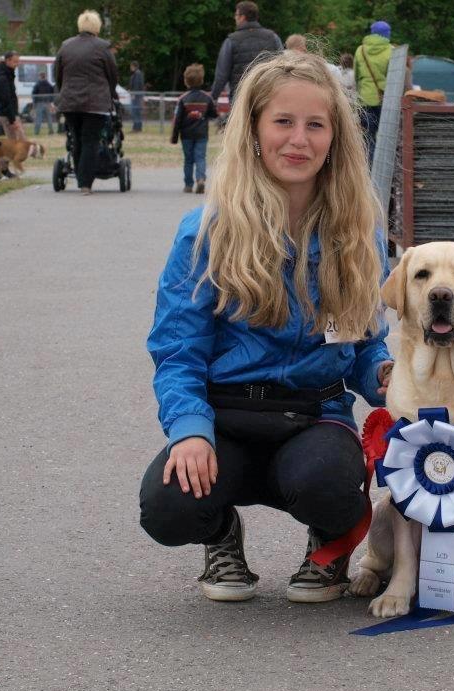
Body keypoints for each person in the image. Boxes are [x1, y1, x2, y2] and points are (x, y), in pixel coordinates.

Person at [141, 50, 393, 604]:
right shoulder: (204, 233)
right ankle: (220, 536)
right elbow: (177, 352)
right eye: (283, 121)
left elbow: (364, 344)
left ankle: (328, 545)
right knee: (167, 507)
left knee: (328, 485)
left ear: (335, 139)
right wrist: (189, 430)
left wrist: (389, 377)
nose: (298, 139)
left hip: (314, 419)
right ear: (254, 130)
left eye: (315, 125)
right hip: (226, 418)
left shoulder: (360, 233)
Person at [55, 9, 118, 194]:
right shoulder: (103, 47)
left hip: (70, 102)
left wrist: (63, 91)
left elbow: (58, 73)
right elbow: (112, 74)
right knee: (91, 141)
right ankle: (85, 184)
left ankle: (81, 179)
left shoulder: (65, 46)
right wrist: (111, 92)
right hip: (95, 103)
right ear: (97, 27)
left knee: (76, 140)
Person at [210, 1, 283, 106]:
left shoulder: (231, 41)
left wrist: (213, 97)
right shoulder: (273, 37)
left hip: (240, 96)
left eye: (236, 15)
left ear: (242, 17)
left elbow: (221, 75)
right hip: (267, 95)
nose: (234, 18)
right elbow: (282, 66)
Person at [170, 63, 217, 194]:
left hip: (186, 135)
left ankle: (188, 184)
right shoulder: (207, 98)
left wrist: (174, 137)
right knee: (201, 157)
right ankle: (201, 179)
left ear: (186, 81)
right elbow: (213, 114)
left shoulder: (183, 99)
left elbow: (177, 120)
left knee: (188, 160)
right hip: (202, 134)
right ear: (201, 80)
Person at [354, 20, 393, 164]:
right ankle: (383, 170)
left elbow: (357, 77)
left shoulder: (360, 50)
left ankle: (367, 171)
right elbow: (393, 77)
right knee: (385, 138)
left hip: (365, 100)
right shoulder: (391, 51)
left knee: (367, 138)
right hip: (385, 100)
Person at [0, 51, 26, 143]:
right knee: (18, 143)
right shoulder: (3, 78)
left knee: (18, 142)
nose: (17, 64)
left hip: (10, 113)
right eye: (15, 62)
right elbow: (6, 100)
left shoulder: (7, 75)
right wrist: (12, 120)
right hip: (7, 115)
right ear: (8, 61)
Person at [129, 61, 144, 132]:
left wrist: (134, 94)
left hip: (136, 96)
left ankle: (137, 128)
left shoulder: (137, 74)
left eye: (131, 66)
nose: (130, 68)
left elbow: (137, 85)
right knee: (136, 111)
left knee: (135, 111)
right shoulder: (137, 74)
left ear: (134, 66)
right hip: (137, 95)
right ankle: (137, 127)